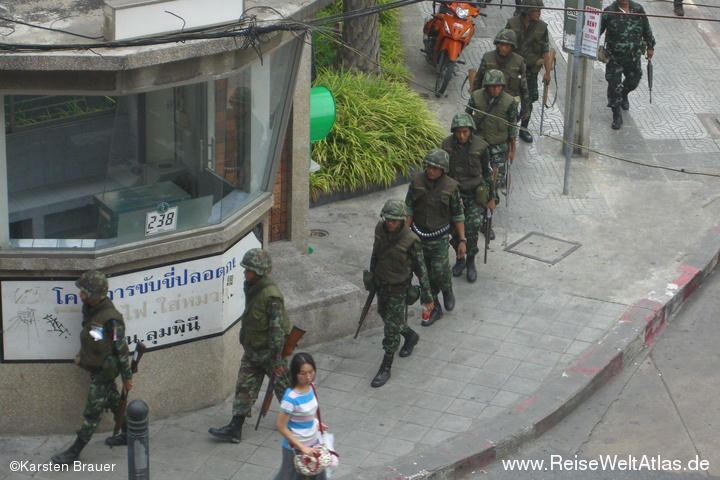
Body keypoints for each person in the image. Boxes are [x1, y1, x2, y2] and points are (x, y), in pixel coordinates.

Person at [209, 248, 292, 443]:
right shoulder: (252, 287)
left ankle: (303, 421)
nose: (245, 273)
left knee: (285, 391)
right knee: (244, 387)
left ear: (260, 271)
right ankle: (235, 428)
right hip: (253, 350)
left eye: (249, 270)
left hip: (270, 354)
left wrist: (277, 360)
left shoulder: (271, 296)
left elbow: (276, 330)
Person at [51, 270, 133, 465]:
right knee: (114, 401)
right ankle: (131, 431)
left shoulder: (111, 319)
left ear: (95, 295)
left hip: (106, 370)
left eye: (85, 292)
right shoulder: (90, 308)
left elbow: (120, 347)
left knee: (92, 411)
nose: (81, 295)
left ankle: (75, 450)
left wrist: (127, 377)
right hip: (98, 366)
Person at [365, 199, 434, 388]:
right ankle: (410, 335)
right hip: (381, 285)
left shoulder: (411, 240)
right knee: (385, 316)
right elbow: (375, 254)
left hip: (398, 289)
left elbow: (421, 269)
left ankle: (386, 366)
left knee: (390, 330)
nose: (390, 223)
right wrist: (371, 278)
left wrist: (427, 296)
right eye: (387, 219)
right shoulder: (380, 229)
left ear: (402, 220)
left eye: (394, 220)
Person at [404, 148, 465, 327]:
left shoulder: (451, 187)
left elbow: (458, 215)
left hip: (439, 237)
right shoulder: (416, 182)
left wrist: (462, 240)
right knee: (424, 274)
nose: (431, 170)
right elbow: (408, 208)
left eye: (436, 168)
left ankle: (447, 289)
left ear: (443, 169)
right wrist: (405, 236)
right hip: (418, 235)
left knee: (440, 271)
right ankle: (435, 307)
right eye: (429, 166)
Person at [442, 113, 495, 283]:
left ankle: (470, 261)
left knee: (471, 227)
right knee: (452, 228)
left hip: (473, 193)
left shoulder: (481, 147)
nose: (462, 135)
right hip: (453, 194)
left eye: (465, 131)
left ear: (470, 131)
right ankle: (460, 258)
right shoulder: (446, 145)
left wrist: (491, 198)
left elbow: (488, 174)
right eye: (458, 132)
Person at [600, 0, 655, 130]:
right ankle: (616, 114)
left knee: (634, 80)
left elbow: (646, 29)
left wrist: (650, 46)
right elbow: (597, 31)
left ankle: (624, 94)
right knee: (614, 86)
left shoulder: (638, 9)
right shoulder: (609, 12)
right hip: (614, 58)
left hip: (633, 57)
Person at [274, 352, 328, 480]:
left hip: (313, 444)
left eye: (311, 372)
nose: (308, 377)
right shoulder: (290, 398)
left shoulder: (311, 388)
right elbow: (281, 427)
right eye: (303, 374)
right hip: (295, 449)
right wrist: (302, 447)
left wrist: (316, 423)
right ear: (295, 374)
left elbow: (306, 414)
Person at [505, 0, 552, 143]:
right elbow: (504, 44)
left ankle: (523, 129)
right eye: (537, 10)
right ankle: (508, 128)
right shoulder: (512, 24)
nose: (539, 13)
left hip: (531, 72)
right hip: (513, 71)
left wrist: (548, 72)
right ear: (527, 10)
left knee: (529, 100)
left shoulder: (542, 27)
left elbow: (545, 50)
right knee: (510, 100)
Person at [466, 70, 518, 199]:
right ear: (487, 85)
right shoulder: (476, 97)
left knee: (496, 180)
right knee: (476, 175)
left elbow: (512, 126)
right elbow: (466, 118)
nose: (496, 89)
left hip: (499, 146)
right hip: (479, 144)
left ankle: (491, 202)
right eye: (493, 86)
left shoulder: (509, 101)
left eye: (499, 86)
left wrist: (512, 150)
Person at [471, 29, 530, 141]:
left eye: (507, 45)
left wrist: (525, 109)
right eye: (501, 44)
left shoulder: (519, 62)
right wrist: (473, 100)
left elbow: (524, 87)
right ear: (497, 44)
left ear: (512, 46)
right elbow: (478, 80)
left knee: (506, 132)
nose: (503, 48)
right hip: (486, 101)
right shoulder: (487, 58)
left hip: (508, 104)